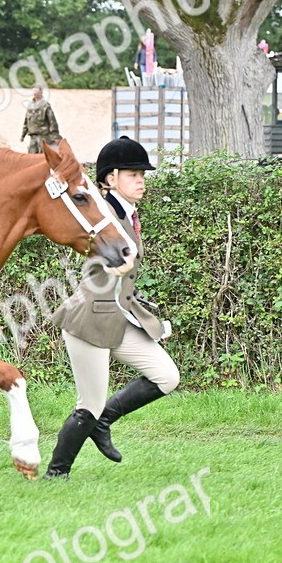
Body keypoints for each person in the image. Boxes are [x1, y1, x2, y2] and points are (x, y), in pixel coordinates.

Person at [43, 136, 180, 479]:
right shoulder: (101, 215)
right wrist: (108, 266)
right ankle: (57, 473)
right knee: (87, 404)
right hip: (90, 321)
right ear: (109, 179)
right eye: (133, 173)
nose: (141, 180)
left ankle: (104, 421)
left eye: (142, 174)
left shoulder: (128, 213)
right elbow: (96, 255)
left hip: (117, 317)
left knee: (166, 376)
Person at [20, 86, 61, 154]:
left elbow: (52, 121)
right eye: (34, 90)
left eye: (37, 91)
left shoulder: (46, 105)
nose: (35, 92)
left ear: (41, 92)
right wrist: (23, 135)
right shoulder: (30, 105)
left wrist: (56, 136)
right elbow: (26, 121)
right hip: (33, 136)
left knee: (43, 155)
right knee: (31, 155)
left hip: (43, 136)